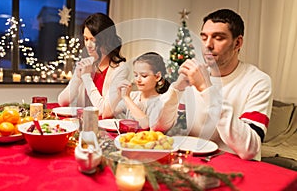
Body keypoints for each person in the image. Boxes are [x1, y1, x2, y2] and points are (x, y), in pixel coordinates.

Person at [171, 9, 273, 160]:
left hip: (237, 168)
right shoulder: (193, 75)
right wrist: (175, 90)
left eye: (218, 38)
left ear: (237, 43)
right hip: (193, 161)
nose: (208, 45)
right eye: (204, 37)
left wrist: (207, 89)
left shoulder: (258, 81)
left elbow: (249, 148)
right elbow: (163, 129)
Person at [58, 13, 130, 117]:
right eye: (86, 39)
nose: (88, 45)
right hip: (83, 124)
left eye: (93, 40)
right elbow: (62, 101)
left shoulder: (120, 69)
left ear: (106, 40)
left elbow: (104, 112)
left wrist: (86, 77)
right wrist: (77, 78)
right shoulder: (87, 63)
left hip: (107, 128)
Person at [102, 52, 180, 131]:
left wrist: (126, 98)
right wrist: (118, 95)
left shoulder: (160, 102)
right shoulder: (133, 96)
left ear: (157, 76)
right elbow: (106, 115)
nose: (138, 80)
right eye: (136, 75)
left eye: (144, 76)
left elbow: (146, 126)